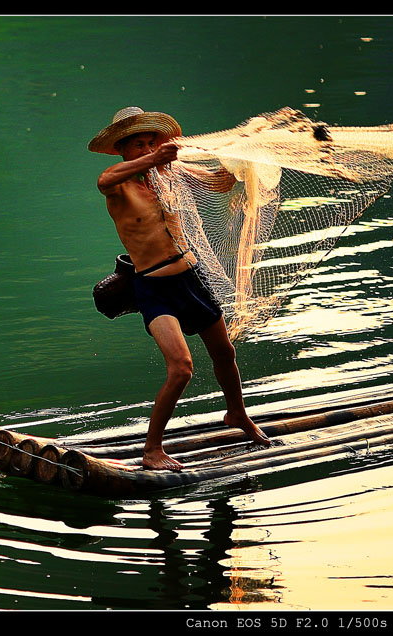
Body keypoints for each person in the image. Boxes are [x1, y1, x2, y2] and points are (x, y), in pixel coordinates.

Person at [88, 106, 270, 471]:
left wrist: (241, 163)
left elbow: (219, 183)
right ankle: (152, 449)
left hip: (192, 278)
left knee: (224, 352)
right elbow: (104, 178)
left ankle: (237, 413)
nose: (145, 149)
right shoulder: (118, 184)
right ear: (123, 149)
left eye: (150, 142)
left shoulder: (171, 172)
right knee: (182, 368)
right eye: (136, 145)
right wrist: (154, 157)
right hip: (154, 288)